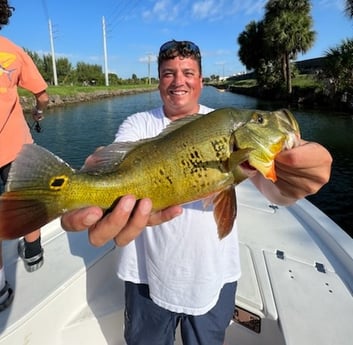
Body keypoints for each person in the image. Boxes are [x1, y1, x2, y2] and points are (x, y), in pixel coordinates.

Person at [61, 40, 332, 344]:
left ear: (201, 80)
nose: (178, 81)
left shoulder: (225, 124)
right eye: (168, 73)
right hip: (146, 279)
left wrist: (293, 183)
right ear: (158, 81)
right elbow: (114, 157)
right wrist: (90, 175)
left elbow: (276, 192)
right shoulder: (137, 124)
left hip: (213, 280)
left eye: (188, 72)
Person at [0, 0, 49, 311]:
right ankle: (33, 254)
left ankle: (1, 291)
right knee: (27, 199)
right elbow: (42, 96)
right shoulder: (12, 50)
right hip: (15, 143)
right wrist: (39, 113)